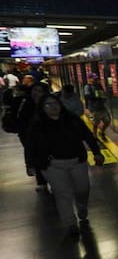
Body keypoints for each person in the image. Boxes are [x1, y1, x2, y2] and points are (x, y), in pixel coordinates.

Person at [26, 93, 105, 239]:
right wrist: (29, 164)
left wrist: (97, 152)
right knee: (63, 194)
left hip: (77, 161)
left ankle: (82, 208)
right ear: (42, 108)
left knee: (83, 188)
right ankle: (70, 224)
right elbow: (30, 146)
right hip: (52, 165)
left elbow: (88, 136)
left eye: (55, 103)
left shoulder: (72, 120)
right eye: (48, 104)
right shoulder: (37, 125)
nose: (53, 107)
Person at [17, 81, 51, 191]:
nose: (36, 93)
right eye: (34, 90)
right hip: (31, 137)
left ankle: (53, 179)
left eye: (40, 91)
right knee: (38, 159)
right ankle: (41, 181)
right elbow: (21, 121)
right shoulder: (26, 103)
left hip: (49, 136)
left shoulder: (50, 102)